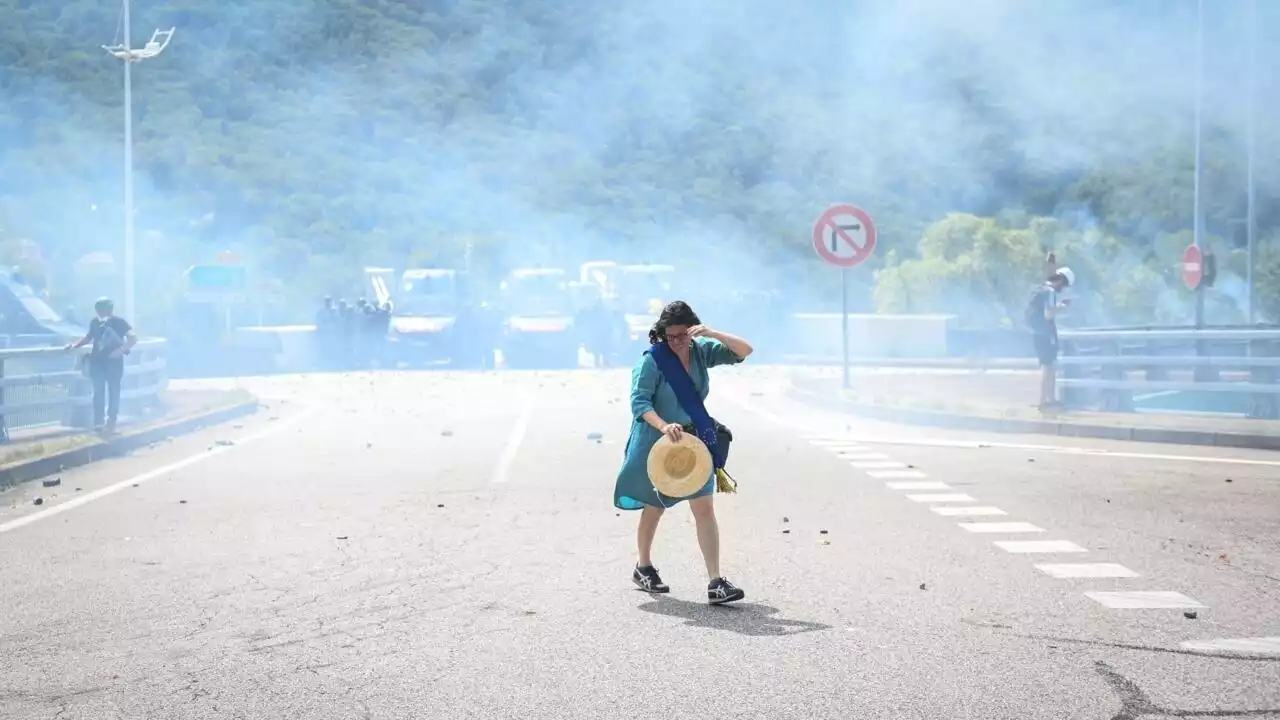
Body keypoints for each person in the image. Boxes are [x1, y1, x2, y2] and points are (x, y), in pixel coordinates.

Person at [613, 300, 754, 605]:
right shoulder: (652, 361)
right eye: (670, 336)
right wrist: (664, 427)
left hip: (692, 441)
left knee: (704, 508)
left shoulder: (701, 350)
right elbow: (640, 404)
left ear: (692, 331)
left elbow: (745, 351)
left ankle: (716, 582)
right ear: (662, 334)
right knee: (655, 504)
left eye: (682, 335)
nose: (676, 342)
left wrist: (713, 333)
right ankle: (644, 566)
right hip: (657, 441)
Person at [65, 297, 137, 433]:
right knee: (98, 392)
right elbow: (88, 338)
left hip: (113, 363)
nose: (101, 311)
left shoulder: (119, 322)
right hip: (98, 362)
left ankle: (111, 421)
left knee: (113, 392)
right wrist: (74, 345)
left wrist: (121, 351)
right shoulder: (95, 323)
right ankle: (99, 422)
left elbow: (133, 337)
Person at [1025, 263, 1074, 410]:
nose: (1063, 289)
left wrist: (1057, 305)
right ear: (1061, 281)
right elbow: (1048, 313)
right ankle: (1045, 401)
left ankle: (1048, 399)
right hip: (1046, 333)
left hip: (1037, 332)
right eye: (1064, 286)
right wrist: (1062, 307)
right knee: (1049, 366)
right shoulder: (1050, 291)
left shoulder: (1040, 289)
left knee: (1048, 365)